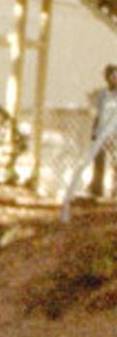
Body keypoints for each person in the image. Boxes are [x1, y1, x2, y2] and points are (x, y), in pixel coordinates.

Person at [59, 64, 117, 220]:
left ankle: (114, 190)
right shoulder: (103, 95)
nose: (113, 79)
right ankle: (97, 186)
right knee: (99, 159)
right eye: (111, 76)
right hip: (104, 131)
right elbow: (99, 114)